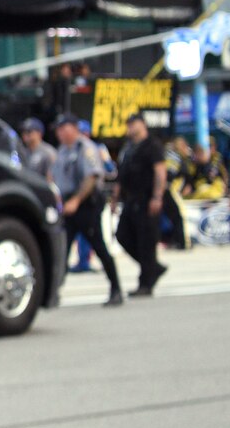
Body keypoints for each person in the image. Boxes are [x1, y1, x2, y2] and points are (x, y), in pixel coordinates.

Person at [53, 117, 125, 306]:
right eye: (59, 130)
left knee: (99, 247)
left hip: (86, 204)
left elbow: (92, 177)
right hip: (68, 205)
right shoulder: (62, 151)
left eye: (64, 129)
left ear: (74, 129)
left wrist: (76, 200)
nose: (60, 133)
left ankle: (116, 288)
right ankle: (53, 291)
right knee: (62, 250)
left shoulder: (86, 148)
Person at [115, 111, 168, 295]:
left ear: (143, 124)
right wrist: (115, 198)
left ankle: (145, 284)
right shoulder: (128, 147)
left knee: (147, 242)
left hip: (146, 199)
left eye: (134, 123)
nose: (130, 127)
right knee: (122, 235)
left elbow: (160, 172)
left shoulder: (152, 145)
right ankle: (154, 268)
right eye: (129, 124)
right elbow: (121, 176)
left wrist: (157, 197)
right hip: (130, 199)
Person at [17, 117, 56, 186]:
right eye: (23, 132)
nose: (25, 135)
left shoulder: (48, 151)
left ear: (39, 133)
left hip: (42, 190)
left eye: (29, 132)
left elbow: (52, 178)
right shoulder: (23, 152)